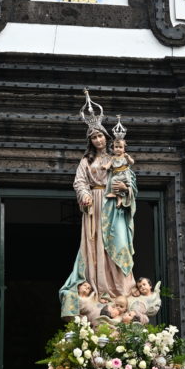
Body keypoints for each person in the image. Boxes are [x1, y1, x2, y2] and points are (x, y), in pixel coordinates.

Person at [59, 93, 136, 317]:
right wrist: (85, 195)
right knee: (94, 245)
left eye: (100, 136)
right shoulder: (86, 161)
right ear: (90, 141)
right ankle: (99, 287)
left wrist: (126, 189)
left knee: (118, 242)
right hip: (94, 205)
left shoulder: (116, 158)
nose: (98, 140)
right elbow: (79, 181)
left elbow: (129, 179)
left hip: (114, 206)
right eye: (94, 138)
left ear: (106, 137)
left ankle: (120, 289)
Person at [106, 134, 134, 208]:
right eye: (116, 147)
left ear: (124, 149)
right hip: (117, 175)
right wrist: (105, 167)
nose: (118, 149)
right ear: (113, 148)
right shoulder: (113, 158)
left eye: (120, 147)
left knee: (114, 180)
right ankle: (119, 199)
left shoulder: (125, 157)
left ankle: (116, 196)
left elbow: (132, 162)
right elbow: (108, 164)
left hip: (124, 175)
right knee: (114, 181)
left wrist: (125, 188)